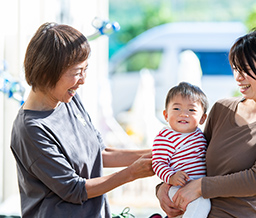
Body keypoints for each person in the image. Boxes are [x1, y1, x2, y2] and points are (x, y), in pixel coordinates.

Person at [156, 28, 256, 217]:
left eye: (246, 69)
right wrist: (163, 186)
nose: (238, 77)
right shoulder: (222, 108)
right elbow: (191, 153)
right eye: (236, 68)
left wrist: (201, 187)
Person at [10, 22, 154, 218]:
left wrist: (158, 153)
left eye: (85, 69)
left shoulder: (68, 99)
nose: (83, 80)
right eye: (77, 72)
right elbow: (74, 189)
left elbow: (98, 153)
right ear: (46, 72)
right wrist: (131, 173)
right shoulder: (31, 129)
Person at [152, 82, 211, 218]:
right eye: (177, 109)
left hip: (197, 187)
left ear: (202, 118)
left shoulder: (200, 135)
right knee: (201, 203)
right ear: (166, 115)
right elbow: (158, 163)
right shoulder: (165, 137)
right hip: (177, 186)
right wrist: (171, 177)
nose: (184, 114)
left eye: (191, 110)